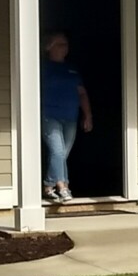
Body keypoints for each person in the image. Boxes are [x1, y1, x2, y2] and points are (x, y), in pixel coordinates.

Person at [39, 31, 92, 202]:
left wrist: (88, 115)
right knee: (57, 151)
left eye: (66, 44)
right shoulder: (42, 67)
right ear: (49, 47)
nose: (65, 47)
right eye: (60, 44)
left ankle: (48, 186)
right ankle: (63, 187)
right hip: (49, 115)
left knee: (62, 154)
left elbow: (82, 93)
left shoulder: (72, 69)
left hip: (70, 116)